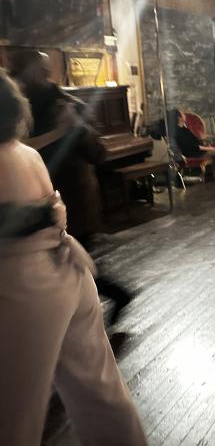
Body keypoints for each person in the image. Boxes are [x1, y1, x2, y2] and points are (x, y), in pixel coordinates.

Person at [0, 70, 147, 446]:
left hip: (24, 285)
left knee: (14, 421)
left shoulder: (52, 126)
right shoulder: (24, 151)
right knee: (101, 393)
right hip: (67, 268)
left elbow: (95, 152)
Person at [10, 50, 132, 325]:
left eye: (36, 70)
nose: (25, 78)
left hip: (74, 205)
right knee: (70, 268)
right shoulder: (19, 110)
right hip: (39, 204)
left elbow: (99, 153)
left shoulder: (69, 106)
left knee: (76, 266)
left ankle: (108, 303)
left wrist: (77, 127)